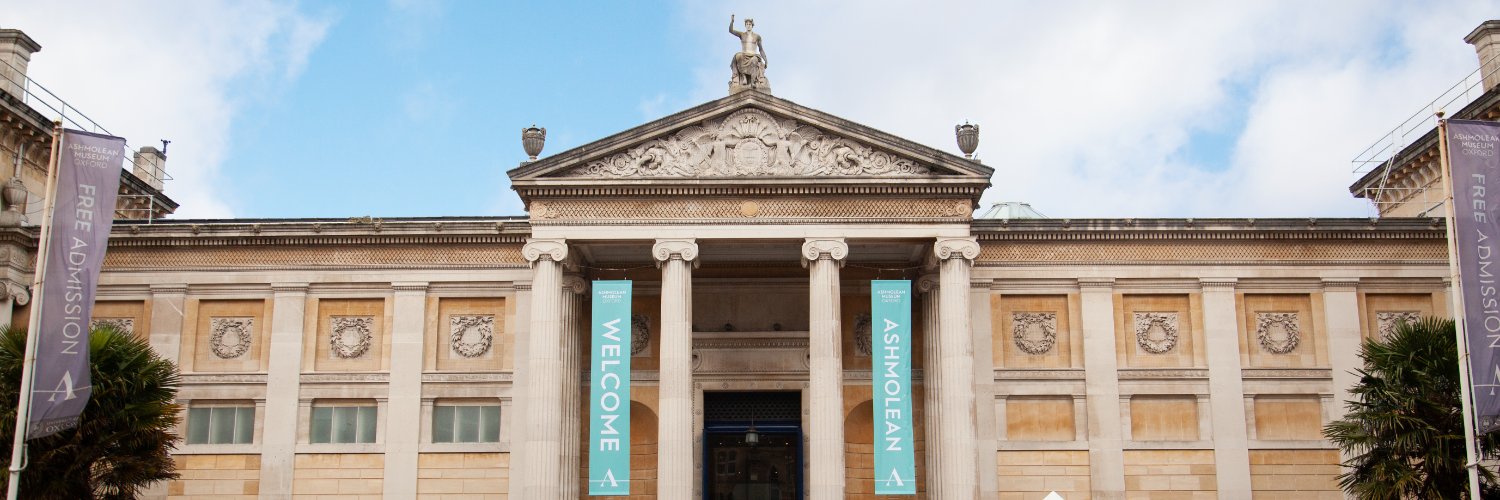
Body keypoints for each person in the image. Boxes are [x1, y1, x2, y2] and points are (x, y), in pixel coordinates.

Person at [728, 15, 769, 91]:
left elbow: (761, 49)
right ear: (745, 26)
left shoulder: (757, 36)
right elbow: (731, 30)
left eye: (750, 24)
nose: (748, 26)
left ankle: (753, 81)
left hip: (753, 55)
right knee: (738, 56)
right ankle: (744, 77)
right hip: (744, 54)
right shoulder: (742, 34)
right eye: (747, 24)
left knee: (754, 60)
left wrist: (765, 60)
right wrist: (732, 22)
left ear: (752, 25)